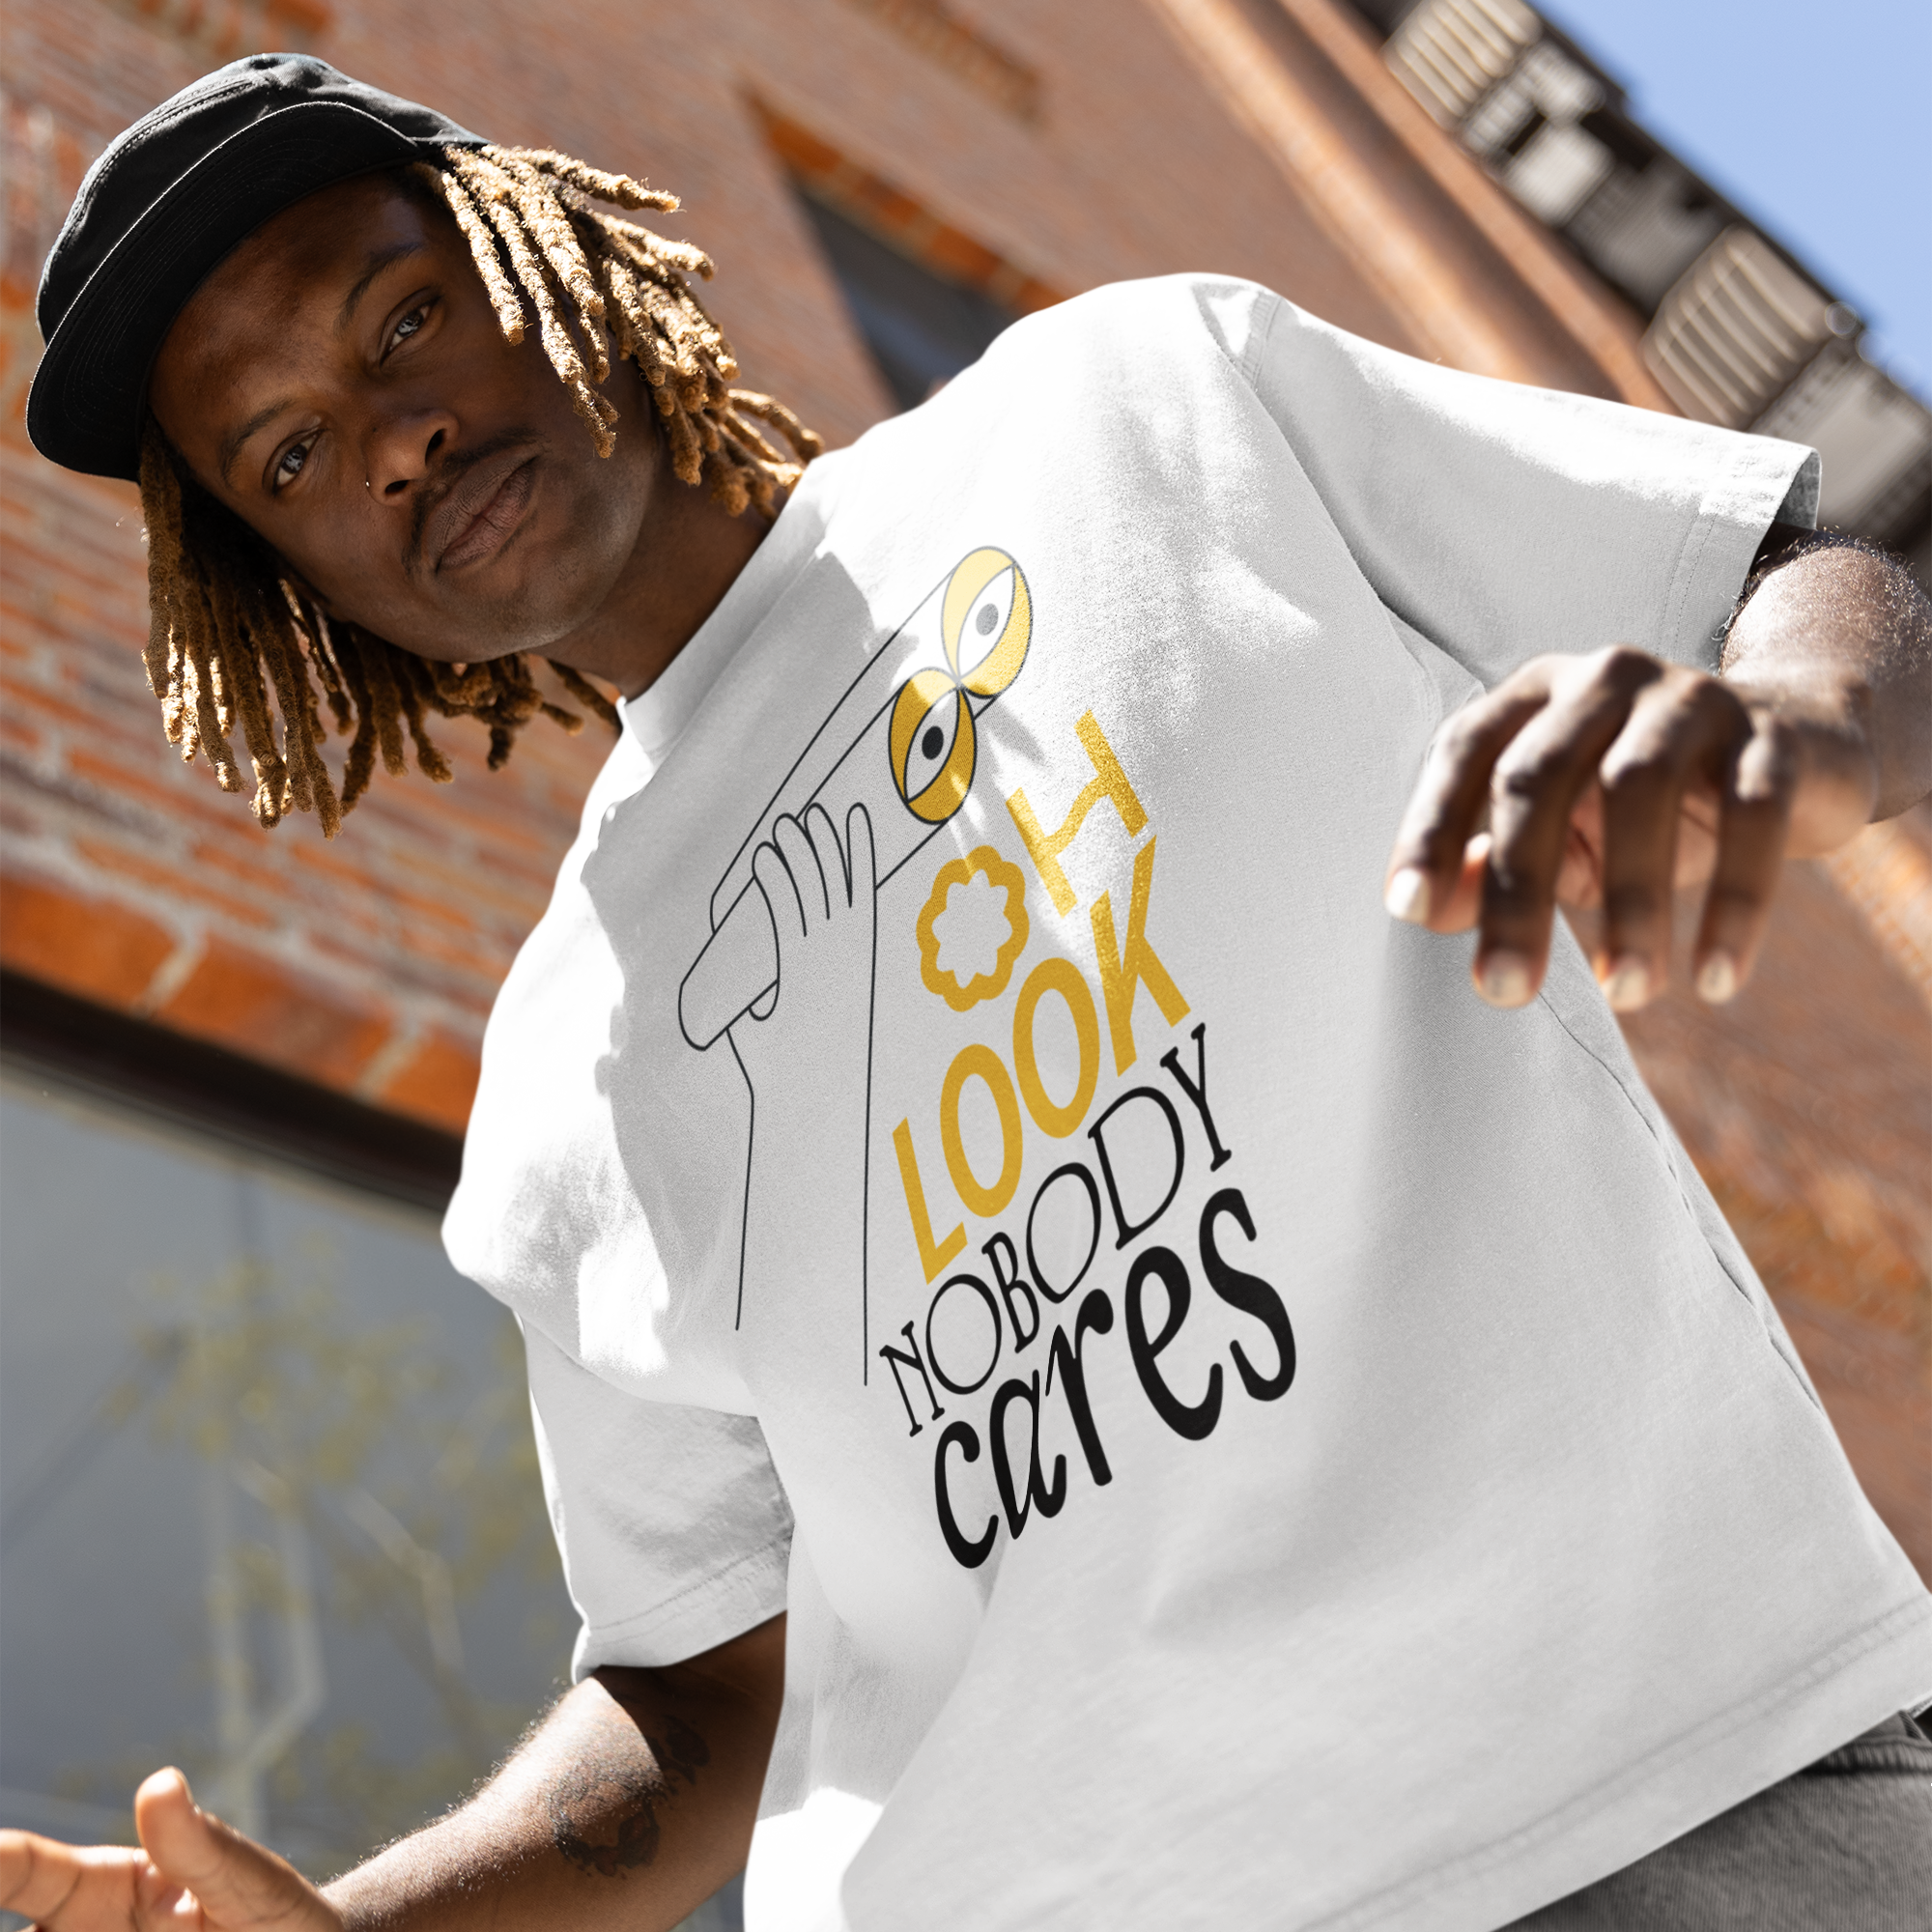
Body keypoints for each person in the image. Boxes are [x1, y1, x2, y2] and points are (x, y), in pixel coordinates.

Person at [4, 50, 1930, 1932]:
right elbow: (697, 1708)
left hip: (1691, 1793)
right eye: (293, 456)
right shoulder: (558, 1081)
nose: (392, 437)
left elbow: (1791, 560)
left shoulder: (1143, 401)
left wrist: (1790, 721)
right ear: (298, 587)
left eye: (403, 322)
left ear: (542, 252)